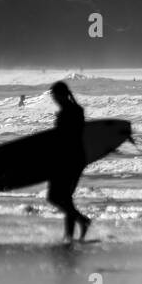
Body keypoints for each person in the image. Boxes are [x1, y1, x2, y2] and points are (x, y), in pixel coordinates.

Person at [47, 81, 91, 242]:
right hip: (71, 158)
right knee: (65, 198)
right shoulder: (73, 110)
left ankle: (81, 221)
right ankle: (69, 235)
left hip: (69, 159)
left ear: (61, 95)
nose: (54, 99)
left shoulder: (72, 112)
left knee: (55, 197)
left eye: (54, 96)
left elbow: (67, 137)